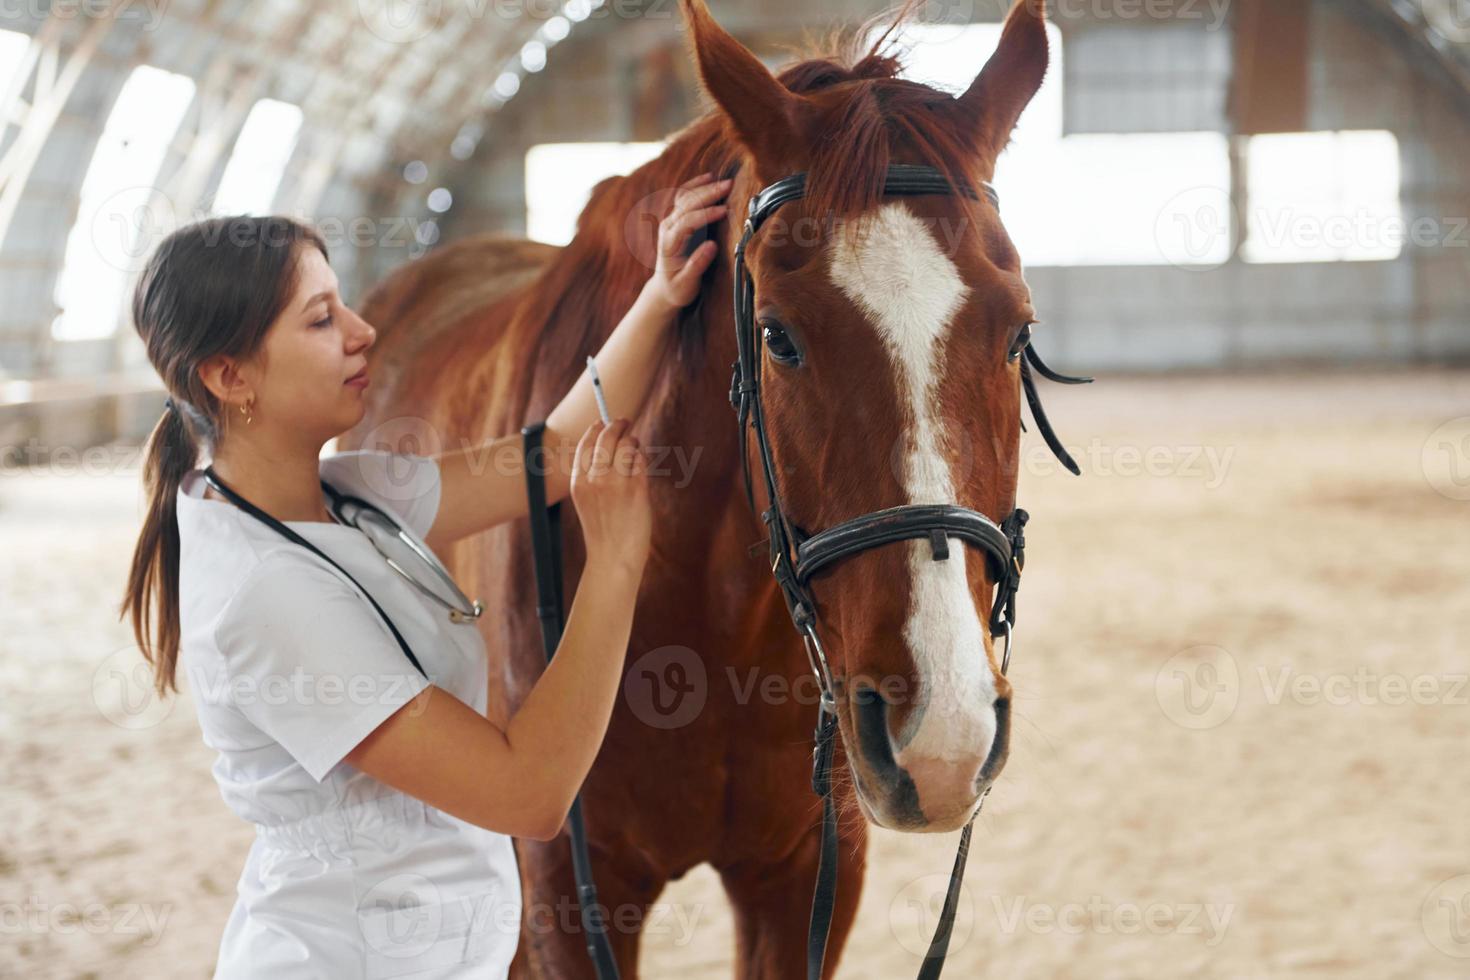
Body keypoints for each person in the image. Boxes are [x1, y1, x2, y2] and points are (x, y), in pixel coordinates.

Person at [117, 172, 733, 976]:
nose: (363, 330)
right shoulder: (265, 593)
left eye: (343, 303)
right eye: (320, 319)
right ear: (230, 378)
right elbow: (530, 794)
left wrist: (660, 295)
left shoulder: (347, 492)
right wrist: (614, 563)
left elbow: (545, 456)